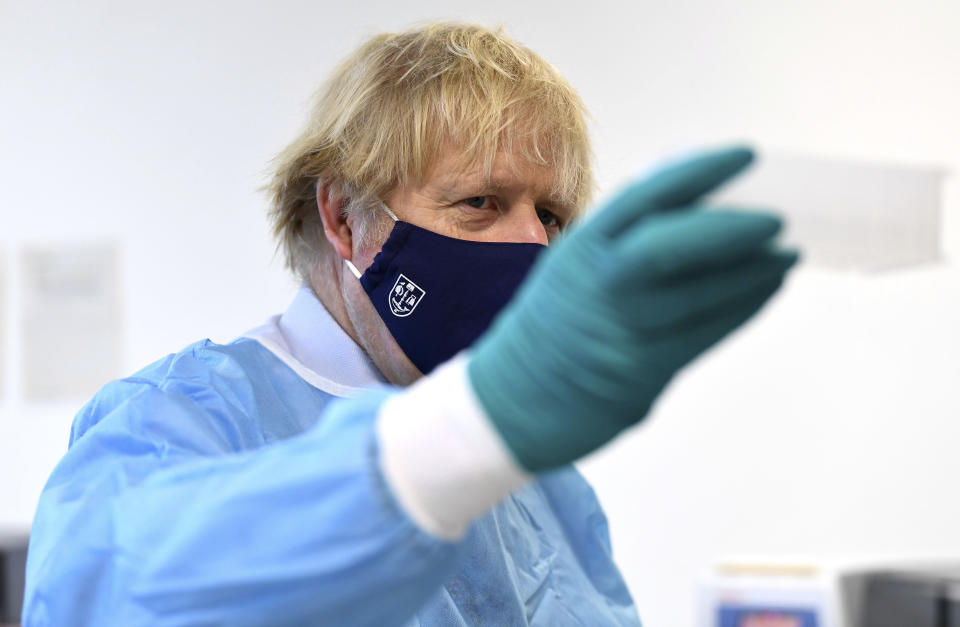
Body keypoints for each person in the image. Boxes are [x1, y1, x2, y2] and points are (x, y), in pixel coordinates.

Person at [22, 23, 797, 626]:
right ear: (344, 217)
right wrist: (470, 428)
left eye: (552, 214)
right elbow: (109, 592)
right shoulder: (182, 423)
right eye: (480, 202)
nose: (534, 243)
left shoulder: (545, 484)